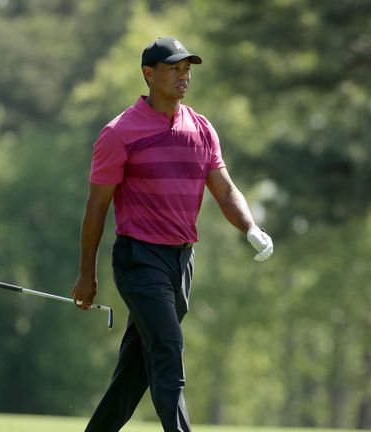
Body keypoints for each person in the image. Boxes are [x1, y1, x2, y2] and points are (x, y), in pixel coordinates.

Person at [71, 36, 274, 432]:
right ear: (149, 74)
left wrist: (250, 227)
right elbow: (96, 207)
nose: (184, 77)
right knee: (167, 349)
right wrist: (87, 273)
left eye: (187, 70)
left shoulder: (200, 129)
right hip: (139, 259)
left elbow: (226, 188)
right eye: (174, 69)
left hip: (181, 262)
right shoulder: (119, 133)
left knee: (134, 372)